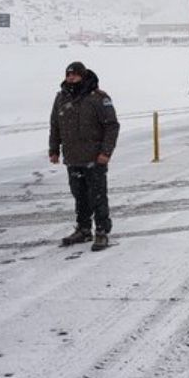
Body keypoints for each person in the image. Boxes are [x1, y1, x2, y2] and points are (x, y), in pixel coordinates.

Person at [49, 61, 120, 250]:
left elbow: (112, 126)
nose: (71, 78)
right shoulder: (61, 98)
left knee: (97, 196)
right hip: (73, 157)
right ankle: (83, 229)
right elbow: (55, 125)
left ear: (83, 75)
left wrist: (106, 152)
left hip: (94, 158)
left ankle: (102, 231)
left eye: (74, 75)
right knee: (79, 196)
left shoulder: (98, 98)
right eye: (68, 75)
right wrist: (54, 149)